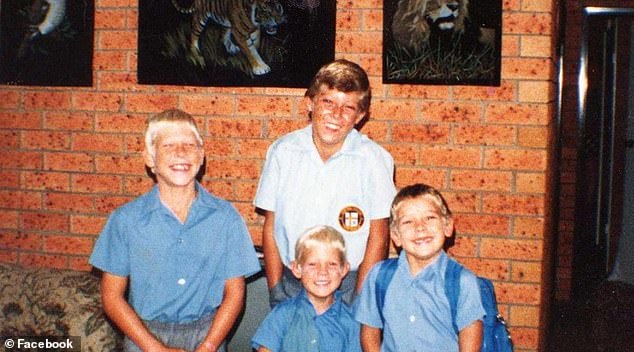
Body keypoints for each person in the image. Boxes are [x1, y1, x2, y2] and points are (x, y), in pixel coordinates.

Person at [89, 109, 260, 352]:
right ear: (150, 158)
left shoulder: (226, 218)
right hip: (144, 337)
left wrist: (209, 345)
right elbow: (112, 298)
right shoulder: (125, 220)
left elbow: (234, 294)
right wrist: (154, 348)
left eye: (189, 145)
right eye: (168, 145)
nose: (181, 153)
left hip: (208, 334)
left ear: (201, 156)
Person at [254, 59, 396, 306]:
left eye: (348, 107)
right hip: (292, 279)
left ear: (361, 115)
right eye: (328, 102)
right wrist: (276, 286)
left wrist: (361, 298)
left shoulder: (374, 160)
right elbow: (271, 225)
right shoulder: (282, 152)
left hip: (348, 284)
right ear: (310, 103)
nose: (336, 115)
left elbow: (379, 235)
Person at [355, 183, 485, 351]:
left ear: (447, 226)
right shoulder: (379, 276)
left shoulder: (462, 281)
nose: (420, 227)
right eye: (408, 222)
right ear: (395, 236)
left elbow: (470, 338)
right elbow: (370, 330)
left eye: (430, 218)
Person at [251, 225, 362, 352]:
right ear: (297, 269)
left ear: (344, 270)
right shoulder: (282, 314)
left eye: (332, 264)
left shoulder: (352, 323)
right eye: (313, 264)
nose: (322, 272)